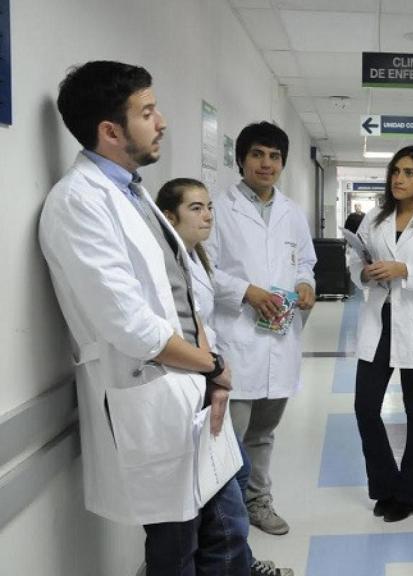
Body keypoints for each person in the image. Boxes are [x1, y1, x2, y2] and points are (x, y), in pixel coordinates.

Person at [39, 60, 248, 575]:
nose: (162, 122)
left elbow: (186, 292)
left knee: (225, 532)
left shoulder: (133, 192)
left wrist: (210, 374)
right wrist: (212, 365)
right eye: (148, 112)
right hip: (152, 391)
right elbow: (130, 325)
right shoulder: (78, 203)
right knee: (178, 549)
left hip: (192, 387)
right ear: (110, 130)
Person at [157, 178, 294, 576]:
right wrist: (214, 367)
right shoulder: (172, 260)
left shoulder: (195, 257)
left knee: (231, 478)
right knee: (222, 490)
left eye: (209, 207)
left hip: (207, 377)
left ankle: (237, 564)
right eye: (196, 208)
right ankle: (236, 566)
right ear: (169, 217)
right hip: (190, 383)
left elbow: (199, 320)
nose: (208, 215)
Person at [206, 122, 317, 536]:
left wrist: (306, 284)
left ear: (283, 162)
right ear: (241, 160)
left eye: (273, 156)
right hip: (237, 341)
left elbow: (305, 263)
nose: (266, 163)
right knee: (229, 438)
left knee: (263, 435)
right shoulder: (219, 209)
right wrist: (245, 291)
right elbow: (204, 271)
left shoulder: (291, 213)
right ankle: (224, 519)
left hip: (279, 339)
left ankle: (258, 502)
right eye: (257, 154)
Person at [347, 146, 413, 522]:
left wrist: (404, 270)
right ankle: (385, 486)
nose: (398, 178)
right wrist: (363, 273)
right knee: (364, 407)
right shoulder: (375, 217)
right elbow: (354, 260)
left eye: (409, 172)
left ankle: (411, 493)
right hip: (378, 321)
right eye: (395, 171)